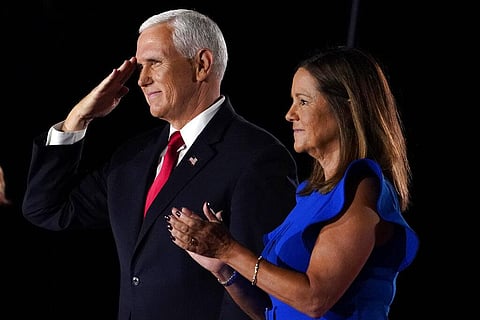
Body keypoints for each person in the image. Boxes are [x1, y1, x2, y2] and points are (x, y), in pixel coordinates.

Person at [22, 9, 298, 320]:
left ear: (202, 65)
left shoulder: (257, 157)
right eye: (140, 67)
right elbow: (46, 209)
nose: (141, 79)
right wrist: (77, 119)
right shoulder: (134, 155)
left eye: (155, 62)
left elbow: (259, 291)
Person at [167, 46, 420, 320]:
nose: (290, 114)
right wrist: (224, 266)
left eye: (303, 101)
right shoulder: (311, 196)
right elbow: (272, 313)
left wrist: (229, 248)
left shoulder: (361, 189)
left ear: (347, 107)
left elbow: (314, 300)